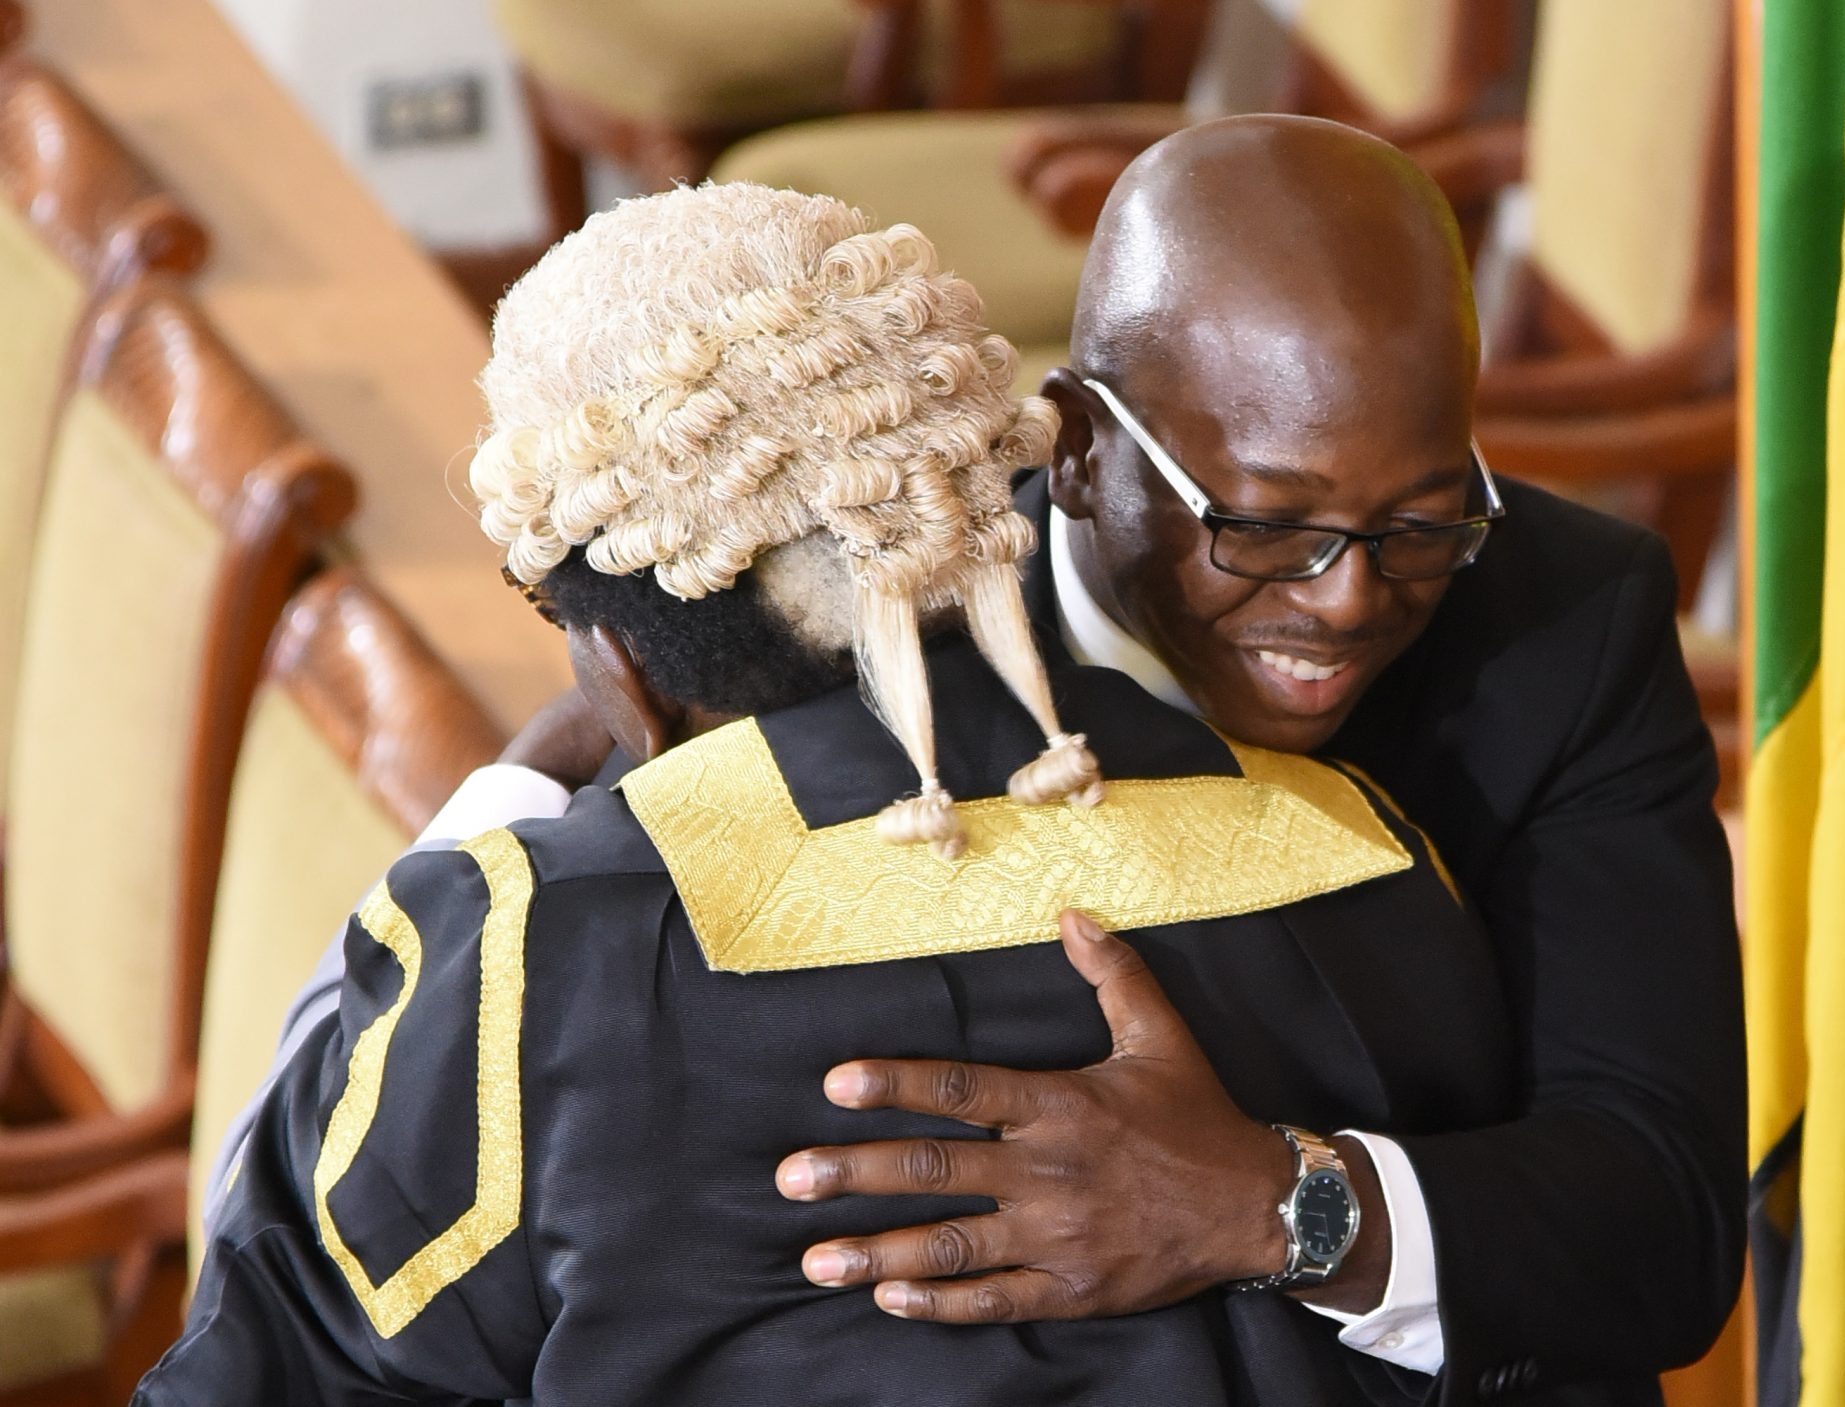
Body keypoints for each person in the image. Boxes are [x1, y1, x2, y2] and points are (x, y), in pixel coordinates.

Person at [214, 115, 1746, 1404]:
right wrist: (535, 791)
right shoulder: (863, 556)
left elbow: (1657, 1227)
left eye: (1424, 520)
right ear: (1075, 452)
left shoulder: (1555, 630)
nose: (1351, 597)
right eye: (1265, 523)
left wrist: (1278, 1203)